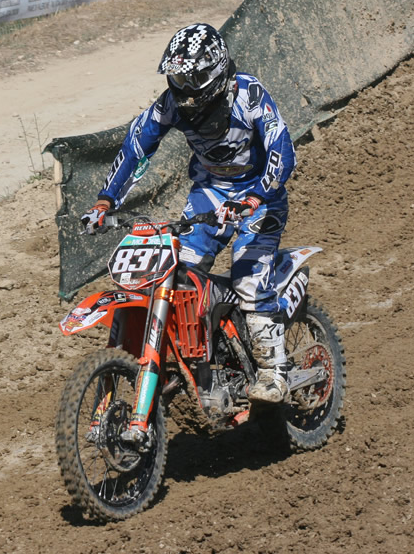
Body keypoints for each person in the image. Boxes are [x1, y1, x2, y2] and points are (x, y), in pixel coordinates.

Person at [80, 23, 296, 404]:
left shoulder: (249, 95)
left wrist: (256, 196)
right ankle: (199, 363)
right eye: (176, 78)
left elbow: (283, 149)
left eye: (188, 78)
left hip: (260, 196)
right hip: (210, 194)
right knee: (179, 277)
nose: (181, 87)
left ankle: (273, 372)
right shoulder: (172, 105)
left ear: (212, 73)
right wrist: (106, 200)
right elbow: (136, 145)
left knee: (248, 280)